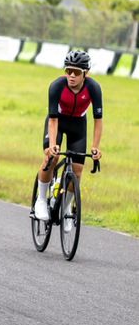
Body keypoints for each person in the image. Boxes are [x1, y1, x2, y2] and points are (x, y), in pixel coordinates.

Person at [33, 49, 103, 227]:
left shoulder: (93, 88)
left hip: (78, 126)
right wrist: (53, 144)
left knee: (78, 170)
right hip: (57, 122)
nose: (71, 75)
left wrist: (95, 147)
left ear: (85, 73)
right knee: (52, 157)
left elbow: (98, 121)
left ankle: (66, 209)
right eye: (68, 71)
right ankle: (41, 200)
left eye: (77, 72)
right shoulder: (57, 86)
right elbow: (53, 119)